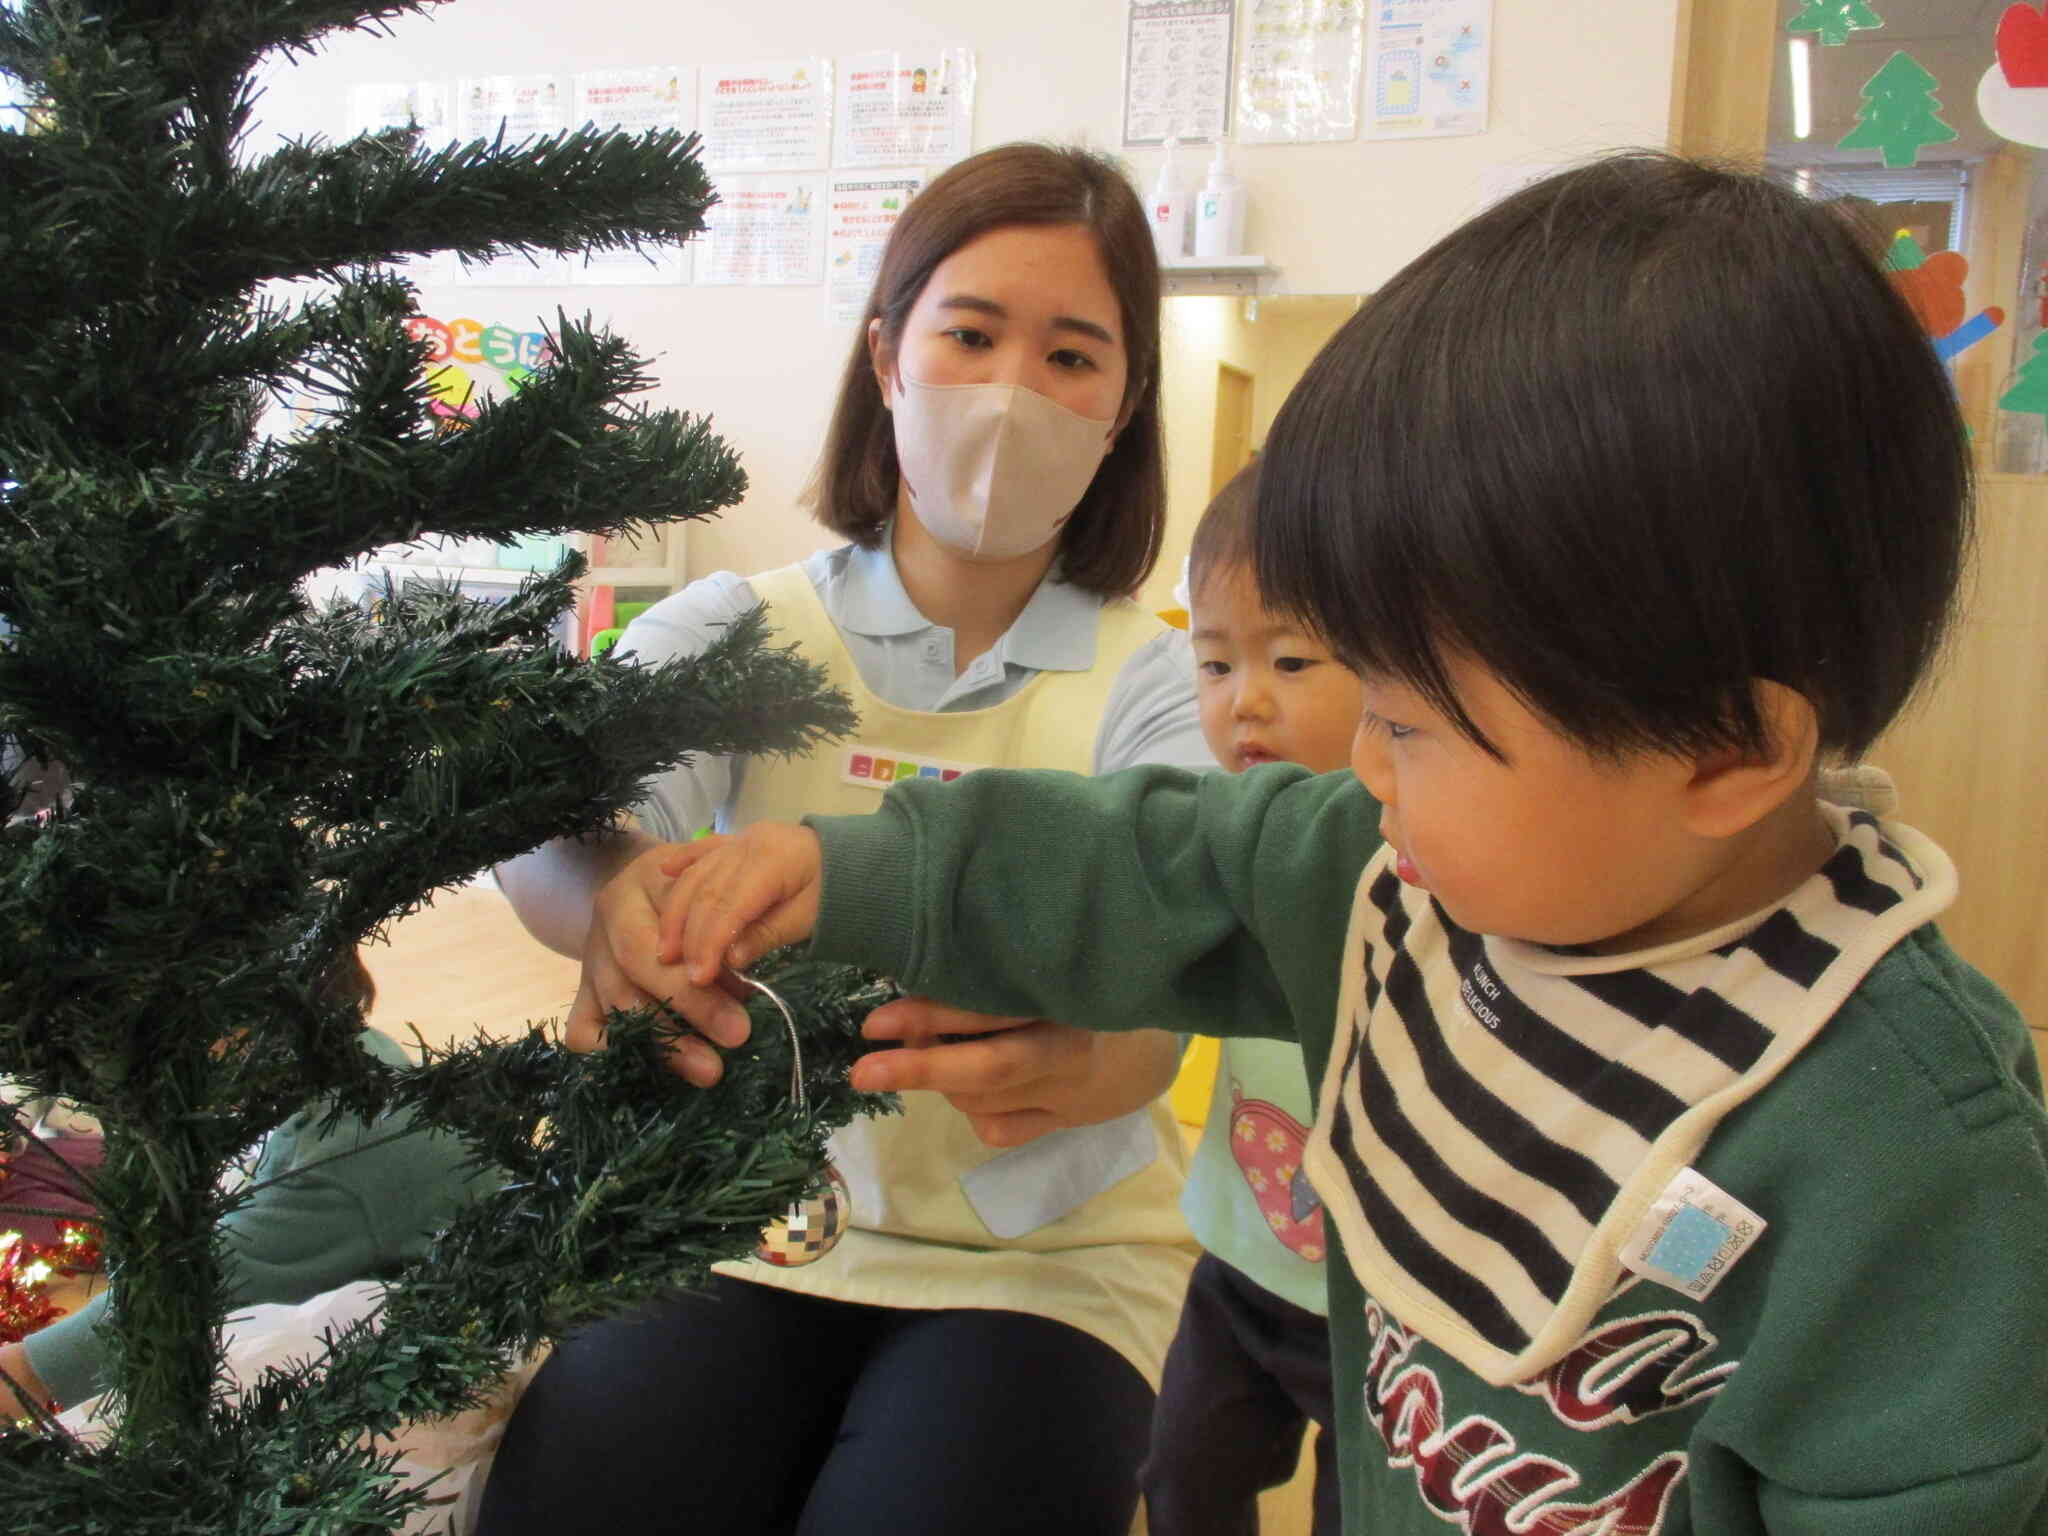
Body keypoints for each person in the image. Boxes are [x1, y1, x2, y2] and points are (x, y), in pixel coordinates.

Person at [604, 155, 2048, 1534]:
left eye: (1412, 725)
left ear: (1724, 752)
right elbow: (1164, 860)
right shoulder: (1385, 875)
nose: (1357, 761)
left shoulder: (1908, 1157)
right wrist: (852, 870)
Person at [480, 143, 1206, 1536]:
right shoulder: (739, 630)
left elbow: (1173, 969)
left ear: (1125, 407)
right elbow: (533, 828)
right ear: (887, 357)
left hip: (1041, 1261)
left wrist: (1105, 1047)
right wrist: (616, 899)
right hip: (722, 1216)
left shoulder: (1158, 682)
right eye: (971, 333)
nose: (1009, 393)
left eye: (1072, 356)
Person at [0, 952, 492, 1419]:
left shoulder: (348, 1155)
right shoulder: (346, 1058)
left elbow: (183, 1298)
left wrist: (30, 1370)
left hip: (436, 1393)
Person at [1145, 463, 1354, 1535]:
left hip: (1377, 1309)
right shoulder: (1227, 831)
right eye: (1215, 663)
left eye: (1290, 660)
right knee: (1180, 1475)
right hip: (1234, 1258)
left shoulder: (1427, 851)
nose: (1245, 700)